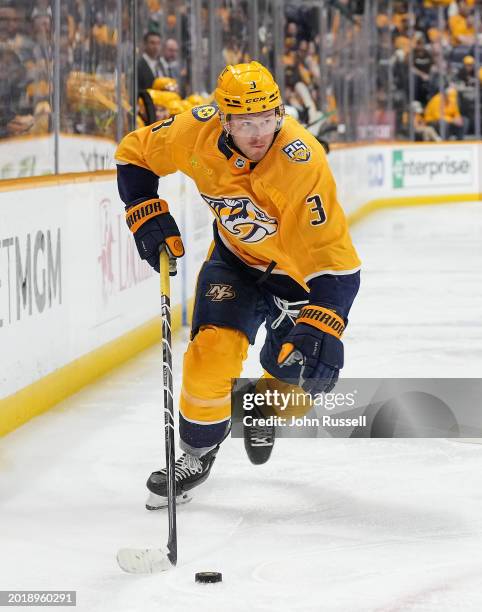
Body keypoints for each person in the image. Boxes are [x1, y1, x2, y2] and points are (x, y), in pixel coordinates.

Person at [115, 61, 361, 509]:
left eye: (266, 119)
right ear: (223, 119)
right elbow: (134, 152)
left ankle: (260, 406)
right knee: (209, 359)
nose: (257, 133)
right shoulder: (195, 132)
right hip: (236, 263)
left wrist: (326, 321)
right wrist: (144, 210)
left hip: (299, 281)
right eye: (245, 122)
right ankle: (196, 453)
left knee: (296, 383)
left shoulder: (301, 162)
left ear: (280, 114)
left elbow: (335, 260)